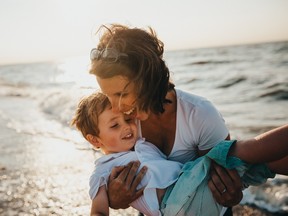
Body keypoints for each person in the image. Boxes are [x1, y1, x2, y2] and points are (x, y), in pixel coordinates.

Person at [89, 24, 243, 215]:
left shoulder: (200, 115)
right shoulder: (123, 123)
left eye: (122, 93)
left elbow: (224, 180)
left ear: (148, 79)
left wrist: (233, 194)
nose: (115, 107)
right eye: (107, 96)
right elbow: (113, 172)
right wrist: (115, 200)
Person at [71, 92, 288, 216]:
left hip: (194, 191)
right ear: (94, 140)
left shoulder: (142, 144)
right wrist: (113, 200)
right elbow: (98, 211)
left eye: (127, 120)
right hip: (175, 203)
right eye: (114, 126)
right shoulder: (102, 170)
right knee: (235, 152)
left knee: (265, 164)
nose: (127, 127)